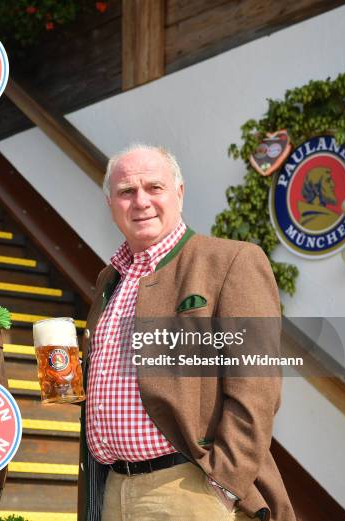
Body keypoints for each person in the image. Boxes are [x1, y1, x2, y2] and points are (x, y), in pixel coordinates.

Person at [77, 144, 295, 520]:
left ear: (179, 192)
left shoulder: (230, 261)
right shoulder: (109, 280)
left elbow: (257, 384)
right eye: (127, 191)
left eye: (154, 187)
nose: (141, 201)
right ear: (111, 204)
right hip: (113, 488)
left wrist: (225, 484)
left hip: (190, 488)